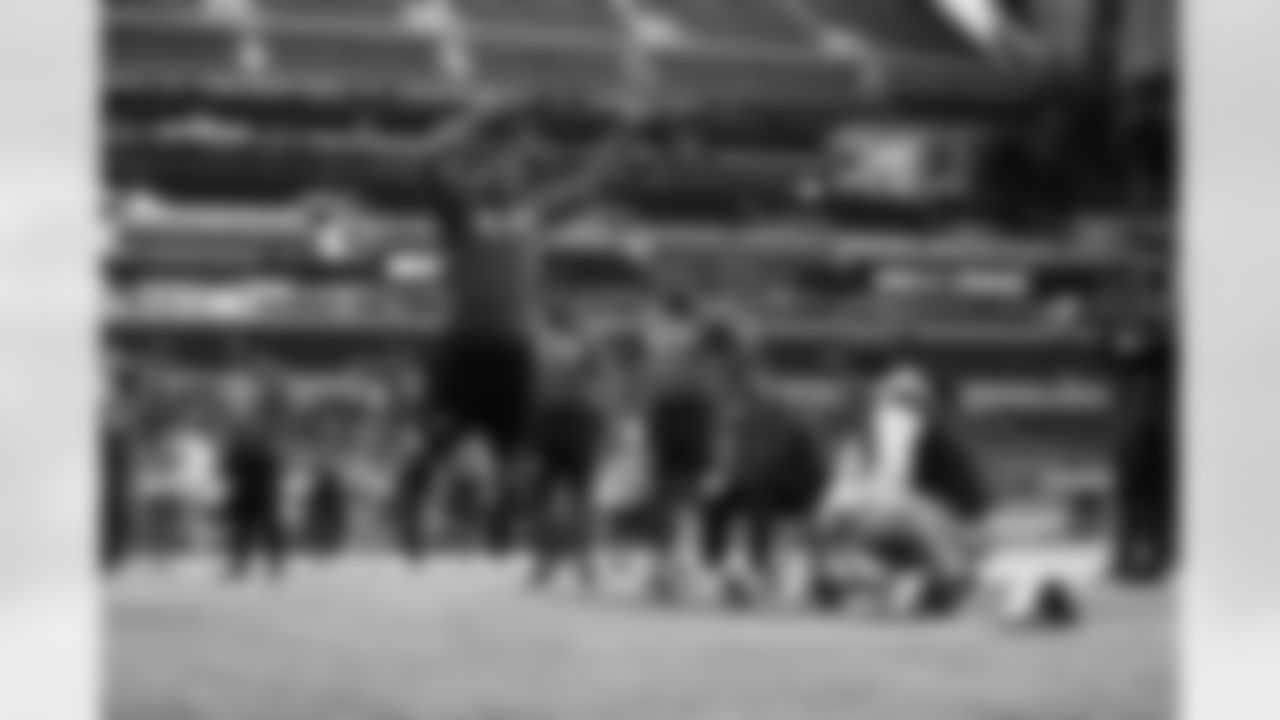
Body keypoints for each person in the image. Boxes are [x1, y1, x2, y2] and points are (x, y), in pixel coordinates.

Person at [411, 101, 640, 555]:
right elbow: (426, 159)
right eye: (494, 164)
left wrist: (623, 135)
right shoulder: (460, 215)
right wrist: (472, 121)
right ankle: (412, 508)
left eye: (513, 166)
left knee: (514, 451)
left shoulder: (533, 216)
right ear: (476, 174)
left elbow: (592, 183)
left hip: (513, 350)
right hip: (465, 346)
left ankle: (506, 513)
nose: (505, 173)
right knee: (436, 441)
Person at [809, 365, 990, 615]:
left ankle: (945, 579)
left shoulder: (920, 435)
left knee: (921, 511)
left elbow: (971, 500)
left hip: (905, 521)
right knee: (918, 510)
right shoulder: (880, 434)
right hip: (876, 518)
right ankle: (948, 577)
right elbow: (853, 485)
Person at [701, 339, 830, 606]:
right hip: (758, 481)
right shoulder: (740, 415)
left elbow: (775, 457)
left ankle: (759, 566)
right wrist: (722, 481)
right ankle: (713, 567)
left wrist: (741, 476)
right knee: (715, 501)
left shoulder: (778, 410)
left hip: (797, 485)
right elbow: (737, 459)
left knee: (759, 491)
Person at [527, 313, 609, 588]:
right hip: (576, 422)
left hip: (551, 422)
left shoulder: (540, 349)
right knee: (581, 496)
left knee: (544, 495)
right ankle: (584, 561)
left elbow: (533, 389)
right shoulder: (583, 347)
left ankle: (545, 562)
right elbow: (598, 382)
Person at [1112, 332, 1178, 583]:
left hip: (1151, 446)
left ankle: (1148, 557)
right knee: (1140, 497)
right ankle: (1137, 557)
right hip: (1143, 449)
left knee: (1149, 497)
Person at [220, 406, 288, 579]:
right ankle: (243, 566)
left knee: (256, 531)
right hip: (253, 495)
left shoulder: (258, 449)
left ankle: (271, 567)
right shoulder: (246, 448)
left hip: (260, 495)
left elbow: (230, 469)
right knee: (245, 532)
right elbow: (229, 469)